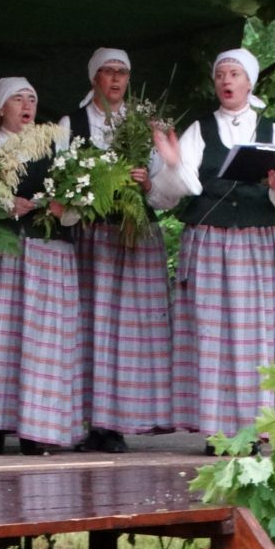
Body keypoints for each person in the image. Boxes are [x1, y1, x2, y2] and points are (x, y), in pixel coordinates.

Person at [149, 48, 275, 453]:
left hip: (256, 242)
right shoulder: (200, 129)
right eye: (220, 75)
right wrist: (173, 162)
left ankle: (256, 427)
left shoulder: (270, 130)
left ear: (249, 82)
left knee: (257, 337)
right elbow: (180, 188)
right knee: (211, 336)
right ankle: (216, 431)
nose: (226, 81)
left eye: (234, 74)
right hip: (210, 240)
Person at [58, 48, 172, 453]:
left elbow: (166, 191)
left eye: (122, 72)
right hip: (90, 235)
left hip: (133, 235)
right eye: (108, 71)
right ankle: (89, 422)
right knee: (88, 328)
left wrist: (146, 183)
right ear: (95, 78)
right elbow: (60, 177)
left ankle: (119, 422)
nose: (116, 78)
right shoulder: (71, 124)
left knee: (128, 331)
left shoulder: (142, 125)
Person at [0, 77, 83, 455]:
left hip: (48, 253)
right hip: (2, 253)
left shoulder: (55, 148)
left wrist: (62, 207)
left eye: (31, 99)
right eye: (18, 99)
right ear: (0, 108)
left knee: (42, 344)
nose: (27, 105)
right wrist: (4, 206)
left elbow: (75, 206)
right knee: (0, 338)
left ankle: (35, 429)